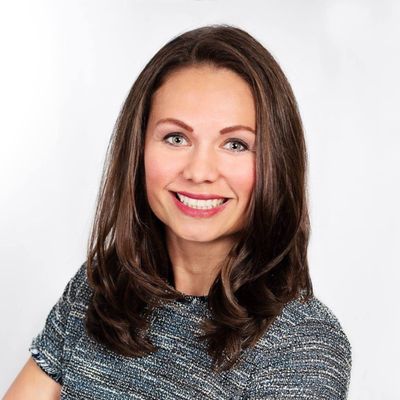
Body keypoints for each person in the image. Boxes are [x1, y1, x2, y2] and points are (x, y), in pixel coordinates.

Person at [4, 24, 352, 399]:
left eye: (235, 144)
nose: (199, 172)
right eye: (176, 138)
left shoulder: (301, 346)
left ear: (277, 162)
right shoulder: (101, 290)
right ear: (138, 150)